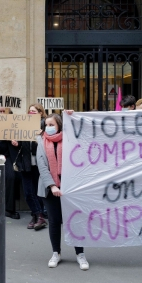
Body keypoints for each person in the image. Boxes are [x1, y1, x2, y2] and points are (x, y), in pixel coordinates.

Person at [37, 113, 88, 270]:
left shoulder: (70, 138)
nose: (48, 127)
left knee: (74, 220)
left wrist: (71, 116)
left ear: (59, 124)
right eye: (46, 125)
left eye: (52, 124)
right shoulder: (41, 141)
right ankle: (56, 253)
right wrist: (52, 186)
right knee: (54, 221)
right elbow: (42, 165)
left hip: (70, 187)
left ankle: (80, 254)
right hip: (50, 188)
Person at [13, 104, 47, 230]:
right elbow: (22, 142)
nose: (31, 113)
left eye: (34, 111)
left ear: (40, 113)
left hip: (39, 163)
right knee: (28, 192)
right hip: (26, 163)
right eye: (30, 111)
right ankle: (39, 215)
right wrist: (16, 141)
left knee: (38, 192)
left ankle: (37, 216)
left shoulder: (44, 124)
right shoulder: (24, 124)